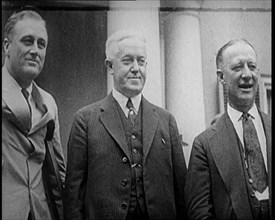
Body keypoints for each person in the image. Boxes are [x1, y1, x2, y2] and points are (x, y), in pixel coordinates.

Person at [64, 29, 187, 220]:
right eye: (128, 60)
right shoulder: (86, 120)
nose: (136, 68)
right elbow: (74, 195)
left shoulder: (166, 120)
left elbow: (182, 192)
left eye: (141, 61)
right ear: (110, 66)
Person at [185, 39, 271, 220]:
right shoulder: (204, 145)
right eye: (238, 67)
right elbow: (199, 214)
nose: (247, 74)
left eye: (252, 66)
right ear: (221, 77)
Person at [2, 10, 66, 220]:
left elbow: (57, 172)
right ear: (6, 47)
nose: (35, 50)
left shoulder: (48, 103)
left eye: (41, 44)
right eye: (27, 41)